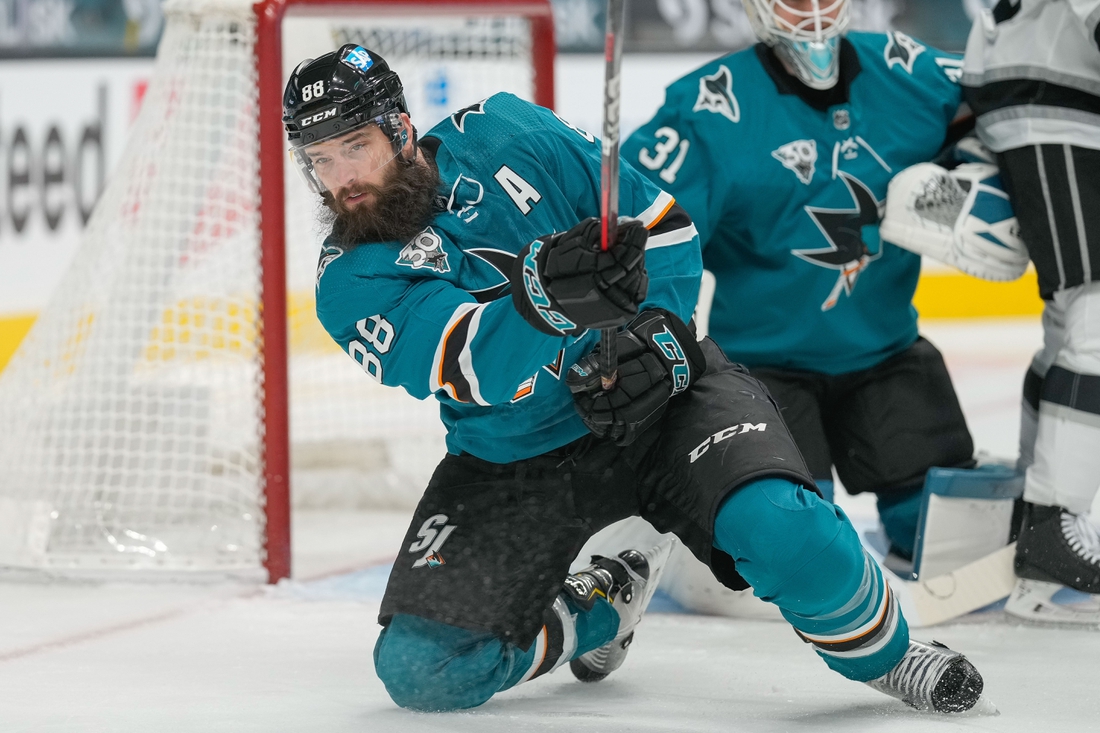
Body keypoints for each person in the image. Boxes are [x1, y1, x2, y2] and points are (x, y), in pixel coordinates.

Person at [283, 43, 984, 714]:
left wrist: (666, 336)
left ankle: (891, 656)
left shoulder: (507, 131)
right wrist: (542, 298)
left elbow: (666, 228)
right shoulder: (349, 279)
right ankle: (600, 607)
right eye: (320, 159)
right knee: (420, 668)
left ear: (400, 130)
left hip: (664, 401)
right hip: (515, 460)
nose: (341, 177)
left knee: (786, 531)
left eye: (356, 147)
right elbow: (472, 366)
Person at [623, 0, 984, 568]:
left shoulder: (906, 69)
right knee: (790, 543)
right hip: (762, 372)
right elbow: (642, 236)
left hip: (888, 355)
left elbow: (1003, 110)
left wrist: (985, 183)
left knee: (950, 541)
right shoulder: (706, 107)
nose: (812, 11)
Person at [961, 0, 1100, 622]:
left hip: (1050, 84)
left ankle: (1034, 513)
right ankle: (1052, 527)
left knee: (1073, 323)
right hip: (1056, 87)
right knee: (1093, 317)